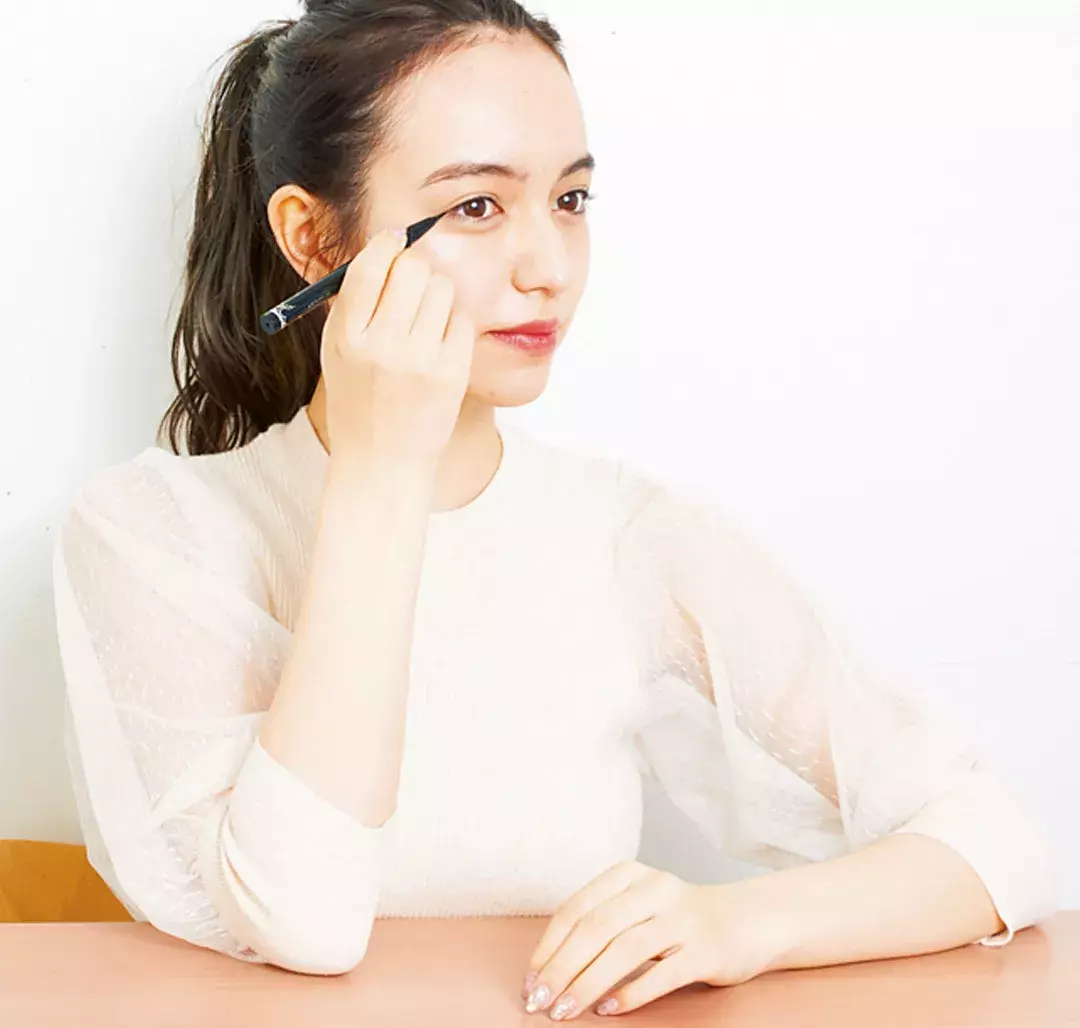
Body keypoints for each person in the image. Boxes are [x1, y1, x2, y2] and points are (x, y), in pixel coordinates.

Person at [52, 0, 1056, 1018]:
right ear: (313, 239)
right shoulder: (152, 533)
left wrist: (736, 924)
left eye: (570, 199)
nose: (550, 267)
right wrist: (383, 474)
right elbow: (303, 919)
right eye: (477, 206)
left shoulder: (635, 536)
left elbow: (995, 839)